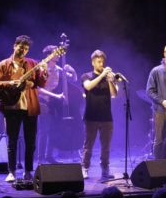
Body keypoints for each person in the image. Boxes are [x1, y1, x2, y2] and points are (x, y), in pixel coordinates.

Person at [0, 35, 49, 182]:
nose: (23, 51)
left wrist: (44, 73)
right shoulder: (4, 64)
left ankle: (28, 171)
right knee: (12, 141)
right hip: (11, 107)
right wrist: (9, 83)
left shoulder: (32, 63)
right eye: (21, 47)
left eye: (26, 49)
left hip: (30, 108)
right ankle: (12, 172)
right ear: (14, 46)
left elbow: (42, 83)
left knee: (31, 142)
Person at [80, 49, 119, 179]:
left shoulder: (108, 78)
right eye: (98, 61)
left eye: (103, 61)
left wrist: (110, 81)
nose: (101, 64)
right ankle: (85, 168)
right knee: (88, 145)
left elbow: (115, 94)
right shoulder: (86, 76)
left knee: (106, 146)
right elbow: (88, 87)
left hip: (106, 117)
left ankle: (105, 169)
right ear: (93, 62)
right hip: (91, 117)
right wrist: (102, 76)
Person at [37, 44, 77, 163]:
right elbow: (38, 88)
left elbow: (74, 79)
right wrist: (56, 96)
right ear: (49, 55)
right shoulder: (41, 68)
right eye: (55, 52)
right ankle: (40, 158)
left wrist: (73, 71)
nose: (58, 55)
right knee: (43, 131)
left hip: (55, 104)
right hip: (43, 102)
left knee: (53, 130)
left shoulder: (59, 70)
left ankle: (49, 156)